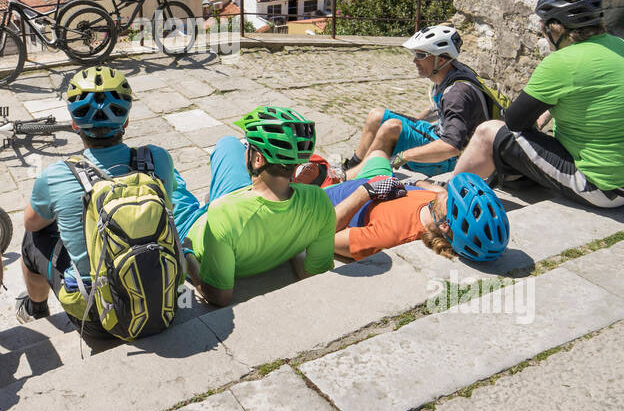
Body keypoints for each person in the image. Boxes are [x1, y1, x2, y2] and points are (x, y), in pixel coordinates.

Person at [454, 0, 624, 208]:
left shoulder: (560, 63)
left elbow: (514, 123)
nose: (542, 31)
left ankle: (447, 200)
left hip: (607, 188)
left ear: (556, 28)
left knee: (488, 132)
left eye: (543, 24)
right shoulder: (620, 45)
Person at [17, 65, 176, 334]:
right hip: (161, 296)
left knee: (31, 240)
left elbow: (32, 223)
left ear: (75, 123)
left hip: (97, 318)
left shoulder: (56, 176)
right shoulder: (157, 159)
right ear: (125, 121)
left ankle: (36, 309)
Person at [172, 106, 335, 308]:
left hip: (192, 226)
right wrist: (290, 242)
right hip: (236, 203)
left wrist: (186, 255)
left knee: (169, 176)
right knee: (228, 144)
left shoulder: (224, 211)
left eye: (249, 147)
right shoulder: (319, 201)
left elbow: (219, 296)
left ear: (258, 159)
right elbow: (314, 273)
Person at [342, 24, 493, 179]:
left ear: (440, 59)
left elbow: (451, 147)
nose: (414, 60)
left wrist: (403, 156)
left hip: (452, 158)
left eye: (421, 55)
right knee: (377, 116)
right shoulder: (452, 72)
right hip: (439, 135)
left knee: (391, 128)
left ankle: (354, 178)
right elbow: (436, 108)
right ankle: (351, 168)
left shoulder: (457, 93)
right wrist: (411, 125)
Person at [323, 157, 509, 263]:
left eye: (452, 198)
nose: (447, 191)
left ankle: (332, 178)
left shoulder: (390, 235)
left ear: (444, 226)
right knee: (379, 156)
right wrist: (413, 183)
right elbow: (436, 189)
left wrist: (365, 193)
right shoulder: (438, 205)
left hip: (327, 200)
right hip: (380, 180)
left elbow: (325, 239)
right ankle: (341, 175)